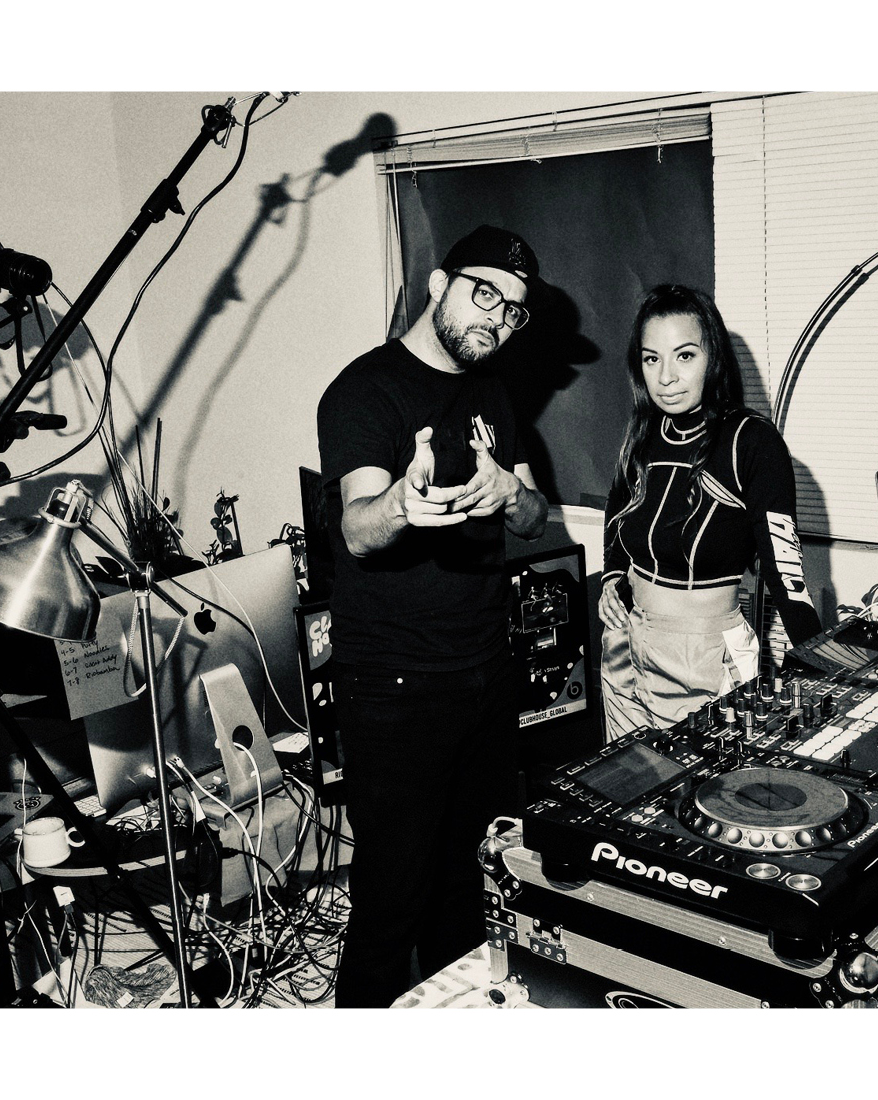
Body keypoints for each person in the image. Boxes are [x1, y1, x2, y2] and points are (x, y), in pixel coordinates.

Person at [315, 225, 549, 1008]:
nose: (498, 318)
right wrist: (401, 505)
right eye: (485, 293)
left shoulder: (493, 392)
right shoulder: (363, 390)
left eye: (513, 309)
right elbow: (358, 528)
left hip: (485, 674)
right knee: (393, 900)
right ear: (438, 284)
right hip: (395, 688)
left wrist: (509, 493)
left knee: (476, 889)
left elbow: (534, 517)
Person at [599, 284, 822, 740]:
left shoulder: (752, 441)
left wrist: (821, 663)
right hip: (623, 643)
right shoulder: (642, 432)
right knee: (626, 780)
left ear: (713, 357)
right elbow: (618, 511)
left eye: (684, 356)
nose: (666, 377)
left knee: (699, 783)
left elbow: (785, 572)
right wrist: (611, 577)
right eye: (651, 359)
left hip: (704, 657)